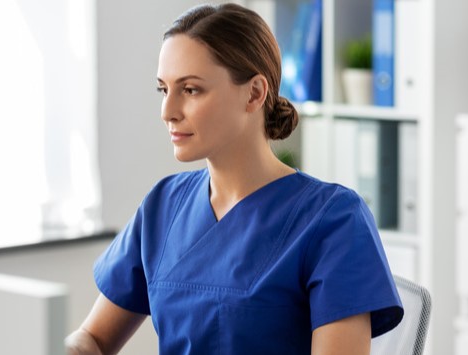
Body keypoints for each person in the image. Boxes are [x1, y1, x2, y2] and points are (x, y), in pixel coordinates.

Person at [65, 3, 403, 354]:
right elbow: (93, 338)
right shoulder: (163, 206)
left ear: (255, 93)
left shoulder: (333, 220)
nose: (168, 112)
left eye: (191, 89)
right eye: (163, 89)